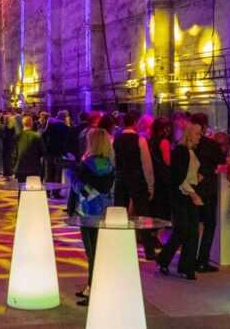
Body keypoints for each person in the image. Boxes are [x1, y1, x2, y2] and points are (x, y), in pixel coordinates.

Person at [69, 128, 115, 307]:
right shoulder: (109, 164)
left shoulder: (86, 164)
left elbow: (80, 188)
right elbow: (106, 188)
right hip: (105, 211)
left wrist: (72, 174)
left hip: (88, 212)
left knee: (92, 253)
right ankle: (90, 287)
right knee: (98, 251)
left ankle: (94, 290)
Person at [156, 123, 204, 280]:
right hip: (181, 194)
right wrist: (193, 194)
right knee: (182, 230)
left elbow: (187, 173)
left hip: (189, 191)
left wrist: (197, 177)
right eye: (197, 133)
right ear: (189, 134)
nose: (200, 136)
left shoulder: (192, 151)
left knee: (193, 231)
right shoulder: (180, 151)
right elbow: (178, 177)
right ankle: (164, 260)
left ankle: (187, 267)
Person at [113, 112, 159, 260]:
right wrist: (150, 185)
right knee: (143, 215)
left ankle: (118, 248)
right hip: (137, 180)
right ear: (134, 122)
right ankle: (149, 251)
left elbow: (114, 162)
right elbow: (147, 165)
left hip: (121, 180)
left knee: (119, 214)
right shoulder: (140, 140)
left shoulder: (116, 139)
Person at [190, 113, 224, 273]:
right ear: (204, 127)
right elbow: (221, 160)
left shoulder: (188, 144)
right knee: (209, 225)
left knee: (194, 225)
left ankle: (189, 258)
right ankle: (202, 260)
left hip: (192, 188)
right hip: (208, 188)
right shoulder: (211, 144)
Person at [42, 110, 73, 198]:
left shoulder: (49, 123)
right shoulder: (63, 126)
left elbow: (43, 135)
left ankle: (47, 192)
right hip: (58, 152)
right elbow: (67, 139)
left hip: (48, 152)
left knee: (48, 173)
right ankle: (56, 193)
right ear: (65, 117)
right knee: (57, 173)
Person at [149, 117, 174, 221]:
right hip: (164, 178)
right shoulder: (164, 142)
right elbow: (168, 161)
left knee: (156, 206)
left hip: (154, 175)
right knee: (164, 207)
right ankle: (162, 228)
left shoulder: (151, 141)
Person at [13, 116, 45, 185]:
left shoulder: (17, 136)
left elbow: (14, 153)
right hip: (34, 167)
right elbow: (43, 151)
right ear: (31, 124)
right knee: (33, 188)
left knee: (21, 187)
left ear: (23, 124)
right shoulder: (37, 136)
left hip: (20, 166)